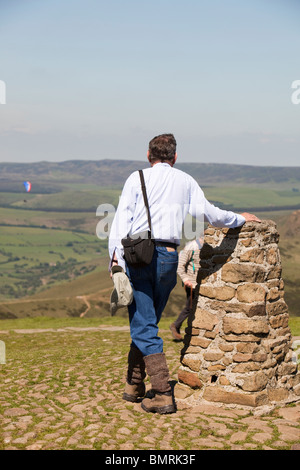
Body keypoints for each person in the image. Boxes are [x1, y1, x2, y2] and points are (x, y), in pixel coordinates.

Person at [108, 133, 261, 414]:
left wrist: (115, 263)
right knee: (148, 320)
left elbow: (120, 224)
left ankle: (163, 393)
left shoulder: (136, 178)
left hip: (138, 256)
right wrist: (239, 218)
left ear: (148, 155)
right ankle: (134, 384)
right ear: (175, 157)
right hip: (168, 257)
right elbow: (211, 214)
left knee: (144, 324)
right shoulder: (185, 181)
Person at [170, 236, 203, 341]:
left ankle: (187, 329)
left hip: (201, 284)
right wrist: (185, 280)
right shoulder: (192, 246)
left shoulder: (208, 246)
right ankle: (176, 325)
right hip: (191, 284)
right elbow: (180, 265)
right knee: (190, 307)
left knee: (196, 308)